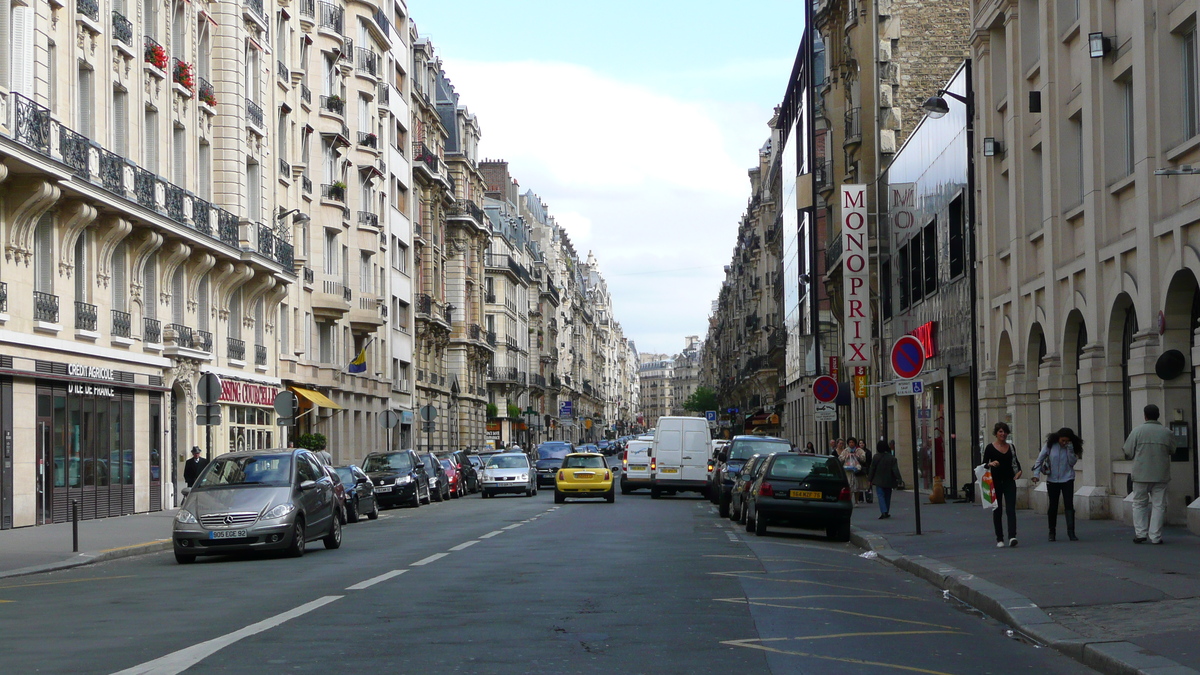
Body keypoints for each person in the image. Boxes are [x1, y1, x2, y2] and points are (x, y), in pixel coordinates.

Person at [1123, 404, 1174, 544]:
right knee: (1159, 505)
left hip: (1141, 474)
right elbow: (1173, 450)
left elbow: (1127, 451)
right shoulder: (1166, 432)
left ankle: (1140, 534)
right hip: (1160, 474)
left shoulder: (1137, 431)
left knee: (1139, 503)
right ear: (1158, 415)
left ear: (1145, 415)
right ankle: (1155, 536)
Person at [1032, 427, 1083, 541]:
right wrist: (1036, 474)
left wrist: (1070, 449)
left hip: (1067, 479)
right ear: (1058, 438)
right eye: (1062, 440)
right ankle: (1052, 532)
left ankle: (1071, 532)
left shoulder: (1070, 447)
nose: (1064, 443)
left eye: (1067, 441)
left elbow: (1072, 462)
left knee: (1069, 504)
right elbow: (1039, 460)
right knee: (1053, 506)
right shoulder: (1050, 446)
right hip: (1052, 479)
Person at [983, 422, 1022, 547]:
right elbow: (983, 464)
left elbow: (1016, 462)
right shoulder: (989, 448)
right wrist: (990, 464)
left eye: (1005, 432)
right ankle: (999, 538)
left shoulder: (1011, 447)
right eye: (1000, 431)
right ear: (996, 433)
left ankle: (1012, 536)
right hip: (994, 482)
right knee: (997, 510)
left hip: (1009, 480)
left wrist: (1019, 472)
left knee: (1011, 509)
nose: (1003, 434)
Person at [868, 439, 902, 518]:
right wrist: (899, 479)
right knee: (887, 495)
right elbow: (895, 470)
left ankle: (883, 511)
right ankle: (886, 510)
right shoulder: (892, 458)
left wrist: (870, 479)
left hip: (878, 479)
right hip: (889, 479)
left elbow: (872, 468)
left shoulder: (876, 457)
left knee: (880, 495)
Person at [837, 440, 865, 507]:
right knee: (849, 486)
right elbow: (840, 459)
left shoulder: (859, 450)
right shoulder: (845, 451)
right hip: (848, 471)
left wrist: (858, 457)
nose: (851, 444)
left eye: (852, 442)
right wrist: (845, 457)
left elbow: (863, 459)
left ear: (855, 443)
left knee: (857, 486)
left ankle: (856, 501)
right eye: (850, 442)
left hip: (856, 470)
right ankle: (849, 500)